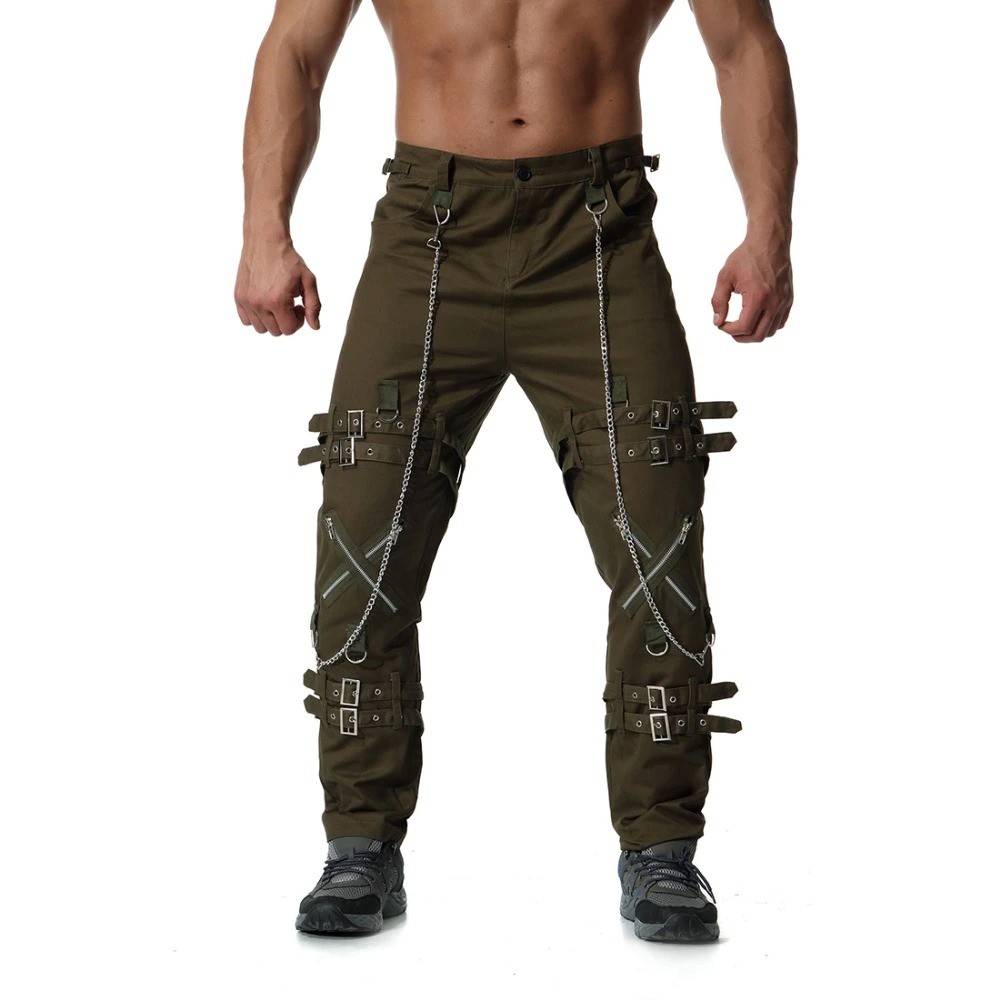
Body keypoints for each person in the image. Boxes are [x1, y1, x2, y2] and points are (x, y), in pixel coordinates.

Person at [235, 0, 796, 942]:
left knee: (657, 542)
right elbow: (295, 48)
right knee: (364, 543)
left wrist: (767, 228)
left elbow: (744, 48)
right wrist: (264, 229)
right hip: (429, 231)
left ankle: (662, 851)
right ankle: (359, 844)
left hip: (600, 232)